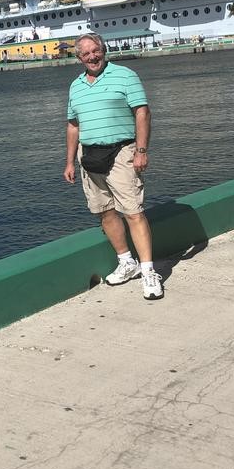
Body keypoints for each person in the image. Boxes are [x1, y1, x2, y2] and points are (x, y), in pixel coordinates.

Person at [63, 33, 162, 300]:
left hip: (122, 151)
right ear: (79, 58)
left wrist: (141, 151)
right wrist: (69, 161)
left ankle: (148, 271)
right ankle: (126, 261)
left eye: (96, 51)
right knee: (104, 211)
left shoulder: (125, 75)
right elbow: (73, 125)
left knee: (133, 212)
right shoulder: (76, 86)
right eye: (86, 54)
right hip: (89, 155)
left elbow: (142, 112)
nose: (92, 57)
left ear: (104, 50)